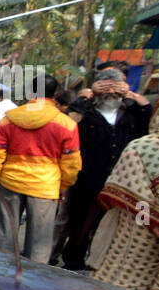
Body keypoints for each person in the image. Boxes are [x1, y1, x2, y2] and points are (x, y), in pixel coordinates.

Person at [90, 93, 159, 290]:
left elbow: (131, 193)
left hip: (140, 223)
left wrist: (149, 223)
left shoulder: (142, 147)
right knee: (152, 279)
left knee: (122, 274)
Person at [58, 68, 152, 270]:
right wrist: (84, 99)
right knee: (80, 224)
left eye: (115, 88)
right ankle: (73, 262)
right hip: (88, 180)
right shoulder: (86, 113)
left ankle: (100, 263)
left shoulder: (131, 114)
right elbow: (67, 125)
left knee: (111, 226)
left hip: (120, 181)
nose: (111, 93)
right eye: (105, 88)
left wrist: (131, 94)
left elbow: (148, 116)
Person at [0, 74, 80, 264]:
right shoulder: (67, 124)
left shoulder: (9, 120)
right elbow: (71, 162)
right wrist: (64, 185)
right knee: (39, 244)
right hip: (45, 187)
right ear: (56, 94)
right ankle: (32, 285)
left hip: (9, 182)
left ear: (30, 92)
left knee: (2, 238)